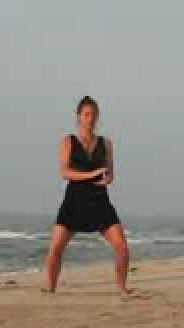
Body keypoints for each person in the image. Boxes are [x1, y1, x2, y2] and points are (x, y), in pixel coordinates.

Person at [41, 95, 133, 296]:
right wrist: (90, 174)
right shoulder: (68, 141)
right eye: (86, 114)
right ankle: (50, 289)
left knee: (122, 246)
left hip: (100, 201)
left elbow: (110, 172)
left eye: (94, 115)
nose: (90, 119)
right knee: (55, 247)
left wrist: (107, 179)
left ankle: (122, 288)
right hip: (74, 201)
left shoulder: (106, 143)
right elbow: (65, 172)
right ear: (79, 116)